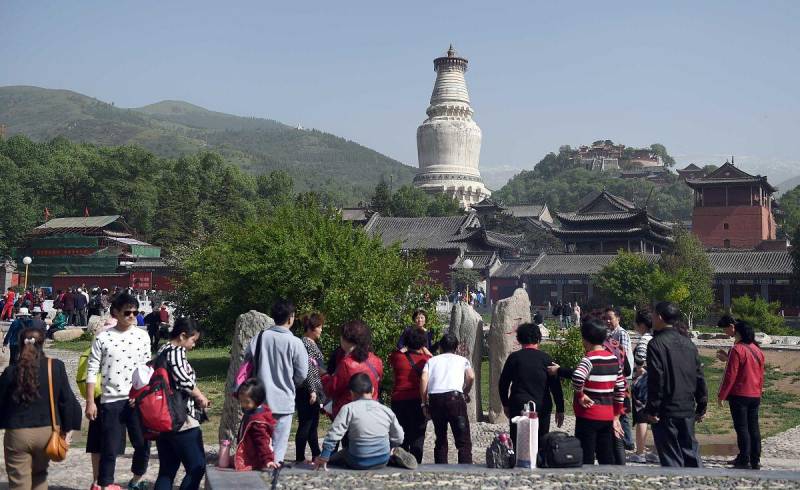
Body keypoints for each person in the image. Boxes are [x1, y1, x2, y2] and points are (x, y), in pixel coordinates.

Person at [0, 327, 82, 490]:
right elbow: (66, 400)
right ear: (43, 343)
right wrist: (67, 429)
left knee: (18, 481)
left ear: (20, 344)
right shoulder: (55, 367)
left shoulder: (10, 372)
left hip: (18, 432)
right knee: (39, 477)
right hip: (47, 431)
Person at [85, 292, 152, 490]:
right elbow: (92, 370)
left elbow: (147, 368)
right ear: (116, 312)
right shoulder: (103, 338)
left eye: (135, 312)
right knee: (109, 448)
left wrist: (142, 394)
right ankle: (105, 484)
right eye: (127, 312)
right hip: (110, 399)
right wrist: (90, 401)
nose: (132, 316)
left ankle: (137, 479)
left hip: (136, 399)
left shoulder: (143, 336)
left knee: (142, 443)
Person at [245, 299, 308, 465]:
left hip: (259, 400)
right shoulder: (296, 343)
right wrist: (290, 383)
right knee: (279, 447)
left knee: (260, 443)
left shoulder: (258, 338)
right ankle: (274, 473)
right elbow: (302, 373)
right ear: (291, 318)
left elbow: (247, 363)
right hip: (284, 400)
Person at [645, 301, 707, 468]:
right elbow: (699, 376)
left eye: (653, 315)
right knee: (691, 455)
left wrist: (652, 409)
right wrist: (702, 404)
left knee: (672, 458)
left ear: (659, 317)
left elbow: (657, 379)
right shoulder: (689, 344)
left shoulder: (656, 344)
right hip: (687, 407)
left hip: (667, 410)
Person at [314, 373, 416, 470]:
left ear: (351, 393)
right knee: (384, 451)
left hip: (358, 461)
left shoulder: (348, 408)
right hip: (382, 460)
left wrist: (325, 456)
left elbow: (334, 434)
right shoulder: (385, 410)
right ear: (372, 390)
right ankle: (392, 454)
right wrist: (392, 445)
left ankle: (325, 460)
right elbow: (399, 436)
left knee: (339, 455)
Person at [154, 317, 209, 490]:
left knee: (167, 470)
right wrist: (201, 397)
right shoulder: (176, 351)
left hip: (164, 418)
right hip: (181, 418)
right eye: (193, 340)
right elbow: (184, 381)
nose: (194, 345)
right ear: (183, 336)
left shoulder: (163, 349)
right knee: (197, 466)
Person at [499, 323, 564, 450]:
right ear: (538, 339)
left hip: (518, 405)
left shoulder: (514, 358)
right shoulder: (546, 359)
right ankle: (538, 463)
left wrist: (505, 404)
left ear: (518, 339)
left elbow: (503, 383)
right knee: (540, 441)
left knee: (518, 441)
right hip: (542, 406)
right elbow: (555, 386)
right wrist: (560, 408)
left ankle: (518, 463)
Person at [717, 316, 765, 470]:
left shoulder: (737, 349)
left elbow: (730, 375)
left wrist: (721, 395)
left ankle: (744, 458)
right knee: (753, 427)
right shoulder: (757, 350)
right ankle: (755, 458)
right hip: (754, 394)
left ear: (736, 331)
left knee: (742, 427)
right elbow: (759, 374)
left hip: (740, 394)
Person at [420, 333, 475, 464]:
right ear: (456, 347)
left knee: (440, 437)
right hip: (455, 398)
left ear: (440, 347)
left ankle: (441, 467)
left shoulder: (432, 361)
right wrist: (465, 391)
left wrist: (424, 402)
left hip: (436, 399)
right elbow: (471, 376)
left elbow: (423, 378)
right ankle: (465, 468)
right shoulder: (462, 360)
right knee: (463, 440)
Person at [323, 320, 383, 418]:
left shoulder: (347, 364)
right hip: (371, 413)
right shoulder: (377, 361)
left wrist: (324, 376)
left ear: (347, 340)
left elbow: (331, 390)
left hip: (349, 415)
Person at [389, 329, 432, 463]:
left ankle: (400, 460)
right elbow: (432, 358)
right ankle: (415, 462)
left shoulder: (396, 357)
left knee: (400, 433)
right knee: (417, 436)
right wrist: (425, 350)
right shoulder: (427, 360)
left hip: (399, 400)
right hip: (417, 400)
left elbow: (394, 353)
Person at [295, 313, 326, 464]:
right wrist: (312, 390)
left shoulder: (312, 343)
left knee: (312, 424)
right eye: (319, 327)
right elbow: (308, 369)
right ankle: (300, 457)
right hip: (307, 390)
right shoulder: (305, 344)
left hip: (314, 389)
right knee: (306, 424)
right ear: (311, 328)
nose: (321, 330)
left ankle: (316, 454)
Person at [603, 307, 635, 455]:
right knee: (617, 408)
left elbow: (624, 357)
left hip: (622, 377)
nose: (608, 321)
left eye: (610, 318)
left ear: (618, 319)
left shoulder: (621, 333)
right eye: (606, 318)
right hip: (616, 376)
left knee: (623, 409)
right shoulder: (611, 334)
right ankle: (620, 438)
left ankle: (628, 440)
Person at [235, 378, 277, 470]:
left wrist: (268, 459)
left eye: (246, 402)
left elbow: (262, 440)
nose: (243, 405)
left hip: (255, 457)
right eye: (241, 401)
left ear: (257, 400)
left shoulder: (257, 420)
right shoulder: (252, 410)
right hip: (250, 452)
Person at [631, 309, 656, 464]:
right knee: (655, 418)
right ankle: (657, 450)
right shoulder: (654, 338)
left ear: (641, 325)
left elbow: (640, 358)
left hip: (642, 384)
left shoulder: (643, 340)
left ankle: (640, 452)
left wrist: (639, 368)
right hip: (654, 383)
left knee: (642, 418)